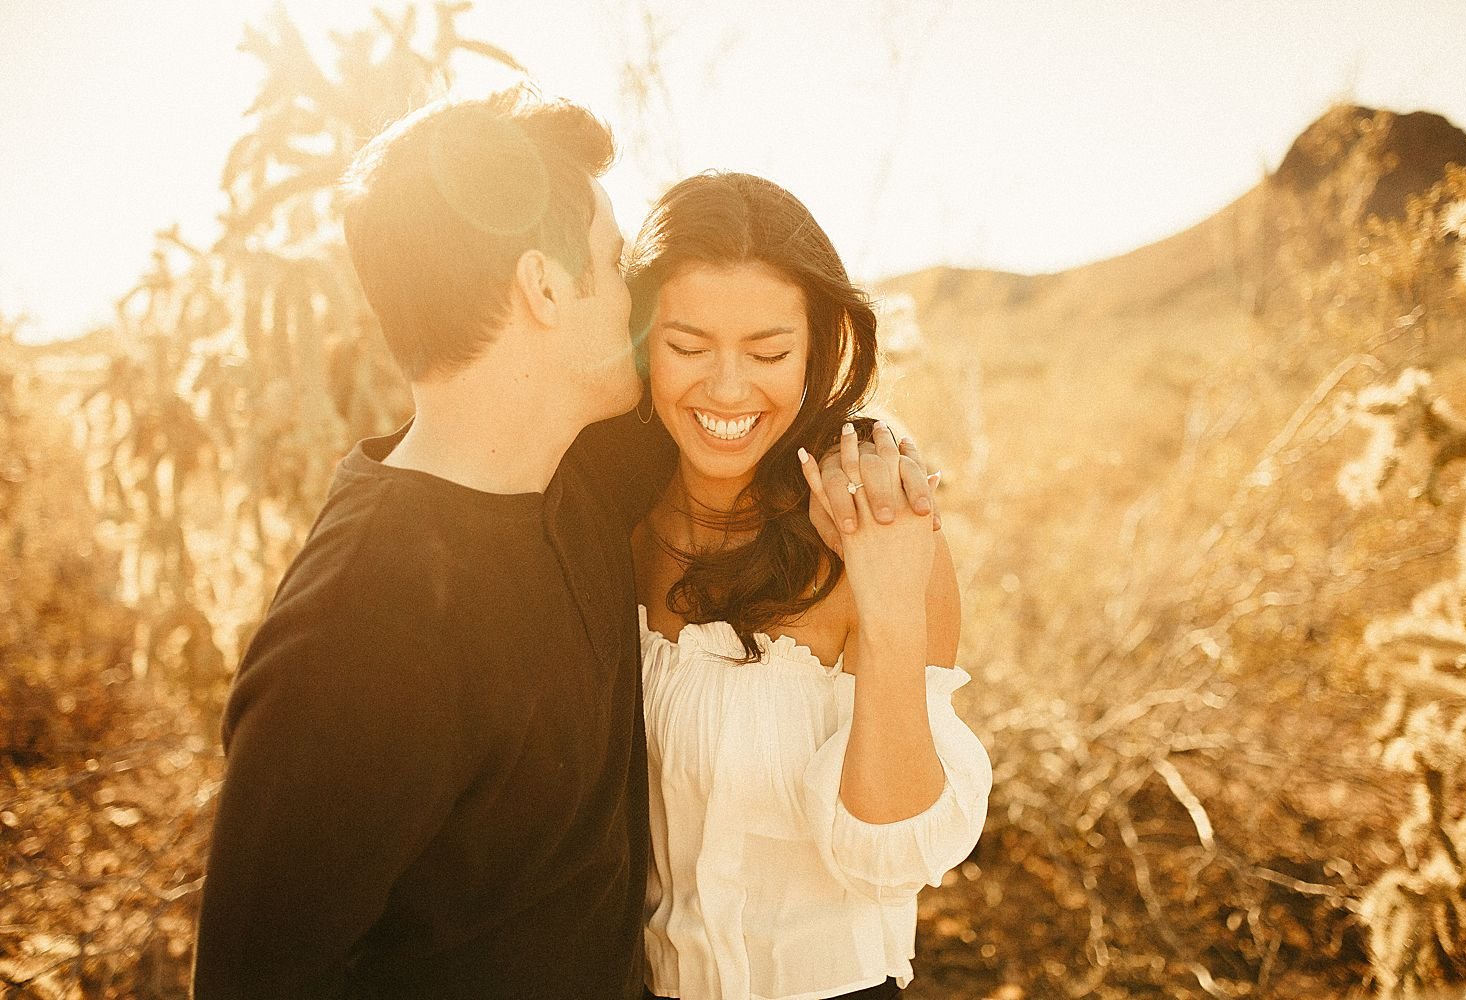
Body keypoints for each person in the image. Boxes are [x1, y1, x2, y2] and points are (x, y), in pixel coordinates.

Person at [192, 91, 933, 999]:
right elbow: (252, 978)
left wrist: (869, 454)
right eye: (616, 265)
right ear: (544, 287)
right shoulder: (359, 617)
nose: (635, 301)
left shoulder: (582, 483)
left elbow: (737, 405)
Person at [625, 172, 993, 1000]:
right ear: (643, 340)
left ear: (819, 346)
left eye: (767, 352)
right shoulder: (613, 522)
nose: (726, 389)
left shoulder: (882, 519)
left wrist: (890, 601)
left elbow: (890, 849)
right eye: (688, 347)